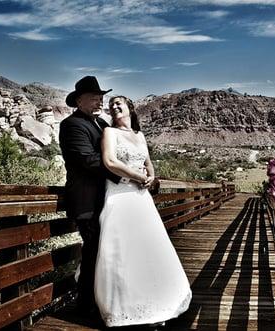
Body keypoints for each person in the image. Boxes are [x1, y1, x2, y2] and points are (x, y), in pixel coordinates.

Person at [94, 96, 192, 328]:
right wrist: (138, 177)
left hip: (141, 197)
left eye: (119, 103)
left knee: (147, 246)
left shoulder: (140, 135)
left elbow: (148, 163)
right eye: (111, 105)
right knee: (123, 248)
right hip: (120, 194)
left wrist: (151, 177)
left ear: (130, 108)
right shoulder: (110, 132)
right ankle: (126, 307)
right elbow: (109, 161)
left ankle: (156, 300)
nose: (114, 107)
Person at [59, 76, 121, 313]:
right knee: (93, 252)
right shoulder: (72, 125)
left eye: (101, 98)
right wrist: (125, 172)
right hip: (86, 202)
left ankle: (105, 301)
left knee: (108, 253)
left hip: (107, 201)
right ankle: (85, 305)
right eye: (94, 98)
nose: (99, 102)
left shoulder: (103, 124)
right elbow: (87, 159)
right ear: (79, 100)